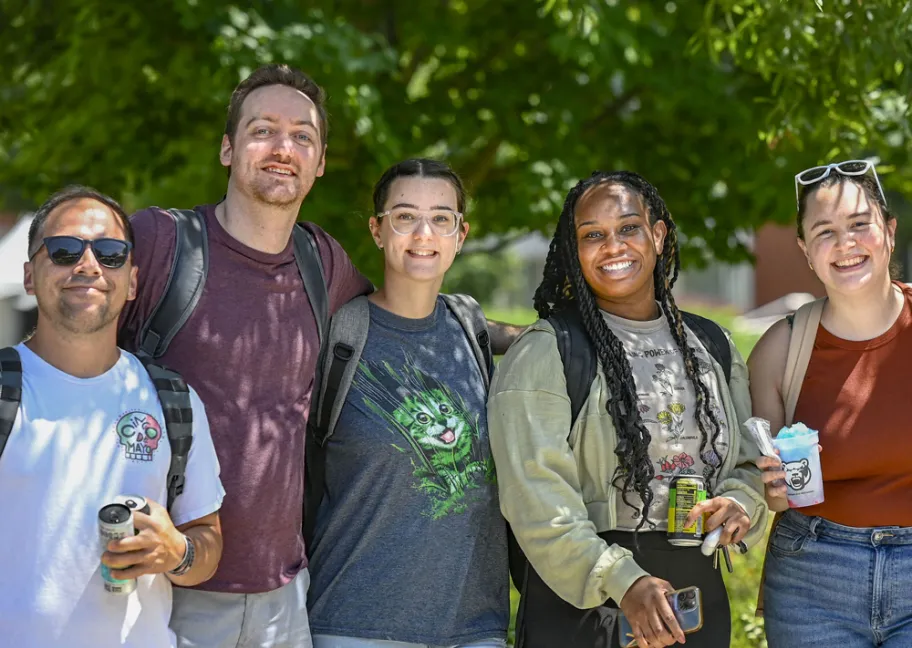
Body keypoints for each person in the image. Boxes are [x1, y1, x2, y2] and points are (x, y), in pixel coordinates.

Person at [117, 64, 522, 647]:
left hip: (285, 599)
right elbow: (78, 322)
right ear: (228, 148)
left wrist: (535, 334)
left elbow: (409, 303)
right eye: (263, 131)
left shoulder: (320, 264)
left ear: (321, 160)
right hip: (168, 583)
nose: (284, 148)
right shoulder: (162, 244)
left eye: (302, 136)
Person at [488, 171, 769, 648]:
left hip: (696, 599)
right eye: (592, 235)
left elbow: (747, 465)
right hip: (586, 606)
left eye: (628, 228)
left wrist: (740, 504)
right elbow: (535, 500)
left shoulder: (713, 345)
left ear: (657, 235)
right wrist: (624, 582)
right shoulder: (546, 353)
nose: (612, 246)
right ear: (574, 251)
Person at [0, 187, 224, 648]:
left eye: (110, 253)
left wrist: (177, 552)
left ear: (133, 281)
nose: (88, 266)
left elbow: (207, 543)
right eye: (63, 251)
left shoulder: (173, 399)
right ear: (28, 275)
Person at [305, 159, 509, 648]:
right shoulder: (336, 336)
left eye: (441, 218)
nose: (424, 232)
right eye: (404, 216)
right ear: (377, 230)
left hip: (475, 627)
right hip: (354, 623)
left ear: (461, 234)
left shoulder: (469, 330)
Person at [749, 161, 912, 647]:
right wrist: (773, 480)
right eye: (825, 232)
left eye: (860, 224)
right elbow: (776, 498)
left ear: (889, 231)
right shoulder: (780, 349)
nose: (845, 243)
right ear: (805, 250)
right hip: (811, 578)